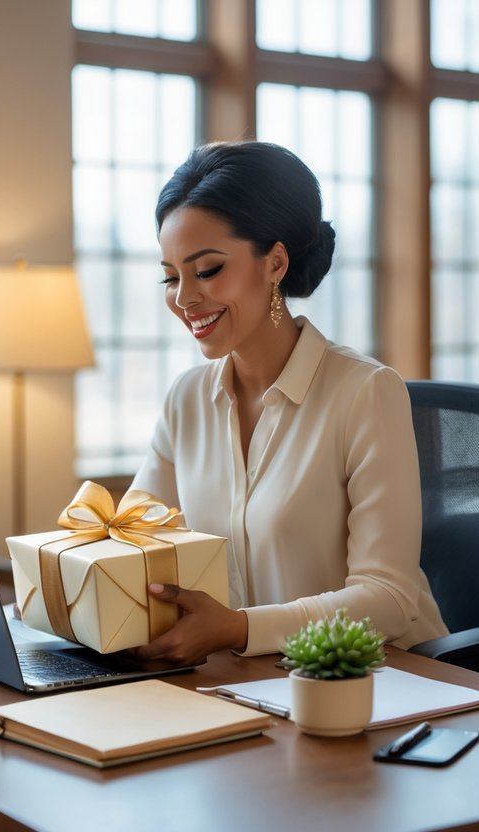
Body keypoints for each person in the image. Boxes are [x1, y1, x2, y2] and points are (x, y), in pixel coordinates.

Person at [128, 141, 447, 665]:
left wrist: (235, 628)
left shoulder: (365, 392)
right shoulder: (187, 398)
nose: (183, 298)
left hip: (374, 684)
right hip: (248, 684)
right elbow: (135, 538)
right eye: (170, 275)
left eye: (206, 270)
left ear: (275, 262)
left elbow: (389, 600)